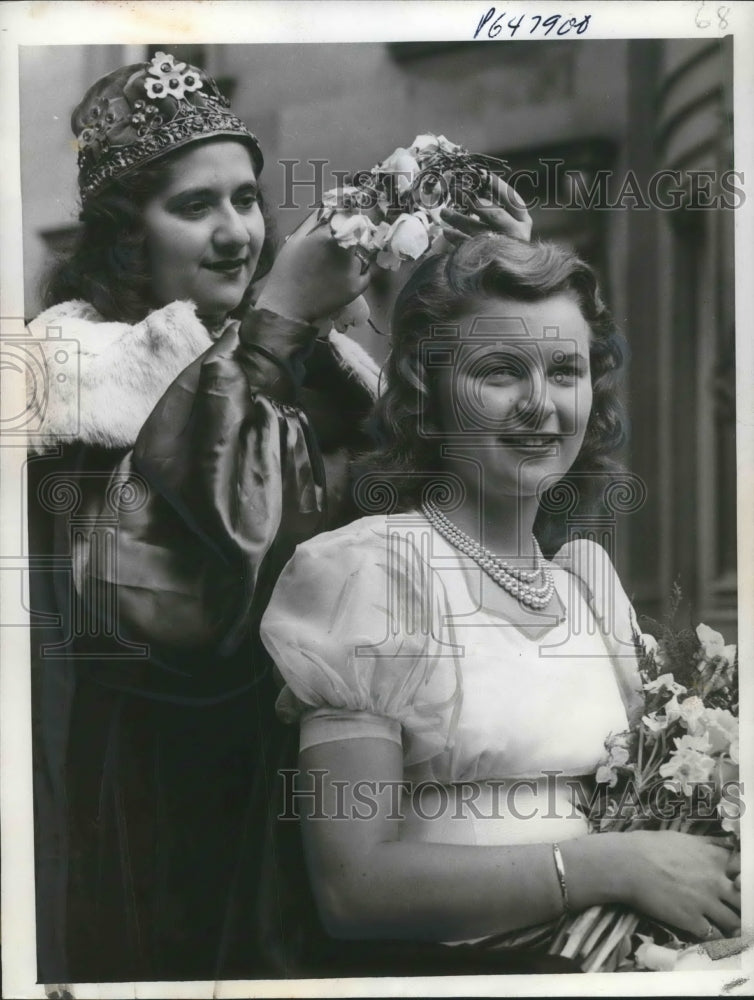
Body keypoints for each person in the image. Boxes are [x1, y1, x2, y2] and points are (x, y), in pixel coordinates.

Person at [26, 53, 532, 982]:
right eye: (196, 207)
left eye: (249, 199)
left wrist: (485, 299)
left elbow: (464, 527)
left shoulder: (301, 367)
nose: (238, 233)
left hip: (347, 799)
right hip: (189, 820)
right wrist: (280, 317)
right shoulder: (83, 389)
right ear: (126, 239)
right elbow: (209, 585)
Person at [260, 234, 741, 959]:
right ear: (429, 390)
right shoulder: (372, 573)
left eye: (566, 370)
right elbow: (351, 888)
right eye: (500, 371)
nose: (540, 405)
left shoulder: (586, 585)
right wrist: (612, 867)